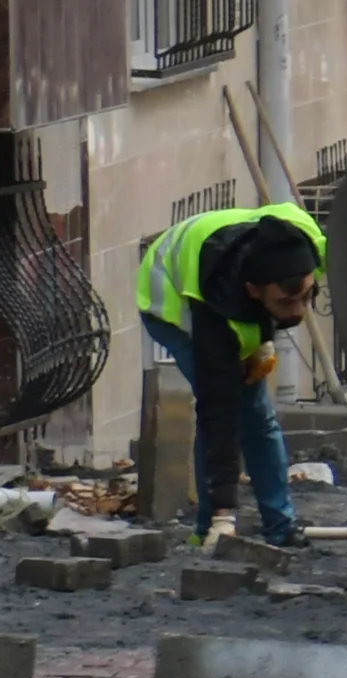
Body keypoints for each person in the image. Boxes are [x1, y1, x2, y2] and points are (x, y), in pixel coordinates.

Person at [136, 199, 329, 551]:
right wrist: (225, 513)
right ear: (253, 291)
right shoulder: (217, 313)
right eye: (286, 304)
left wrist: (266, 332)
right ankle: (212, 527)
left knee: (256, 413)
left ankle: (280, 526)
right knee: (246, 408)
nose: (300, 312)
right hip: (170, 301)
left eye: (307, 296)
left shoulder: (306, 241)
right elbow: (217, 413)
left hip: (230, 279)